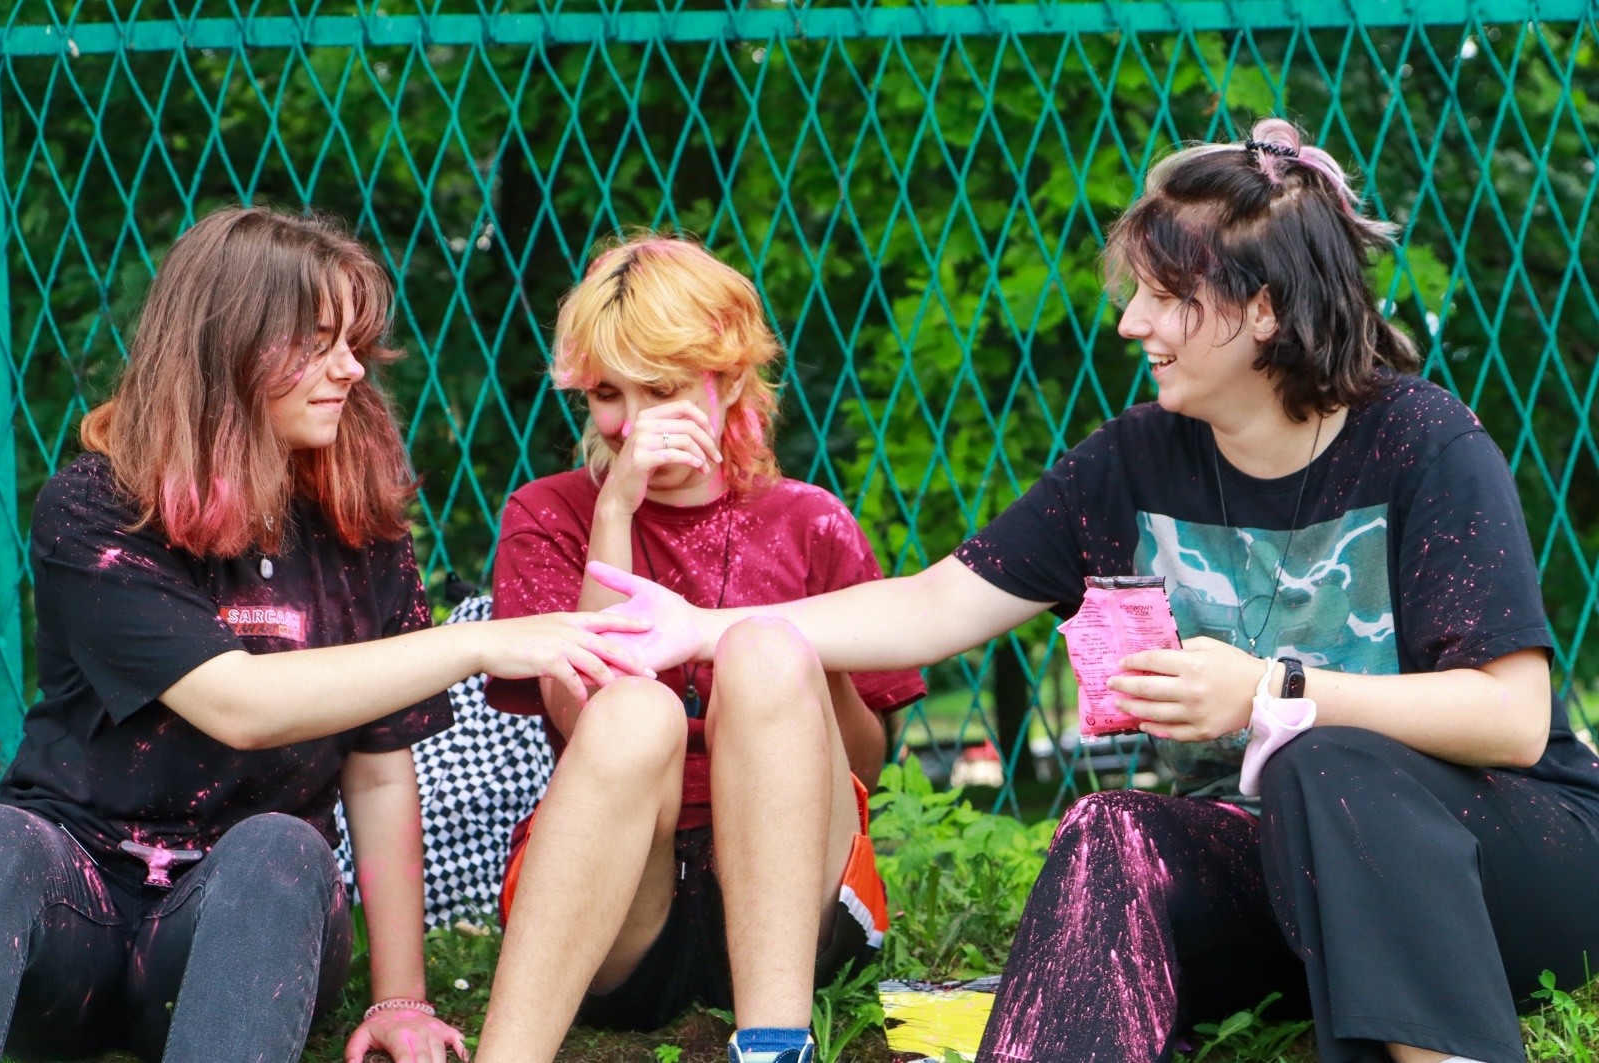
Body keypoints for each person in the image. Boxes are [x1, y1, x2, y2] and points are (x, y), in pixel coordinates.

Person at [588, 121, 1599, 1063]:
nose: (1129, 323)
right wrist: (701, 626)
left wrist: (1268, 690)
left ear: (1260, 311)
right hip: (1297, 866)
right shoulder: (1131, 464)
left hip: (1510, 856)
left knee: (1321, 752)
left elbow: (1509, 718)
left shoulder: (1423, 444)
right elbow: (933, 604)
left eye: (1164, 296)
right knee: (1110, 825)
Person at [0, 206, 652, 1063]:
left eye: (354, 342)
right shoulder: (96, 510)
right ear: (227, 346)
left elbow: (380, 772)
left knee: (281, 846)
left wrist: (402, 997)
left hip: (240, 917)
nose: (350, 368)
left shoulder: (360, 527)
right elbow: (238, 704)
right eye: (317, 342)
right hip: (72, 901)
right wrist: (479, 642)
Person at [473, 233, 925, 1063]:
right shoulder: (549, 512)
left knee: (764, 649)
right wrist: (616, 510)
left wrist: (797, 661)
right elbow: (576, 718)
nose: (634, 423)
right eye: (609, 393)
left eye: (665, 389)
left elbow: (865, 760)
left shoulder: (810, 519)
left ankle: (777, 1045)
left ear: (729, 377)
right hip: (621, 905)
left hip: (793, 899)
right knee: (635, 707)